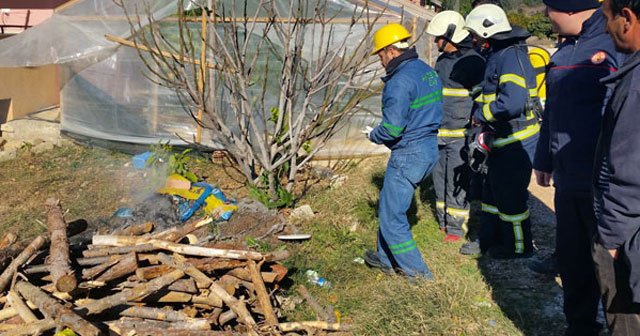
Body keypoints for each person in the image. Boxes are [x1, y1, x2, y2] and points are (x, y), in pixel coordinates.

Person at [529, 1, 621, 334]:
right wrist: (544, 158)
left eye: (549, 8)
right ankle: (581, 326)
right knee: (573, 259)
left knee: (610, 267)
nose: (545, 16)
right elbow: (551, 111)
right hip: (568, 179)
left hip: (604, 182)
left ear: (568, 9)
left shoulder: (614, 44)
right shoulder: (564, 52)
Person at [362, 23, 443, 279]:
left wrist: (373, 135)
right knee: (390, 206)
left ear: (391, 51)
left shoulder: (398, 82)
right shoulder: (426, 72)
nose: (380, 61)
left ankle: (418, 275)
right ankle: (385, 259)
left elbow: (393, 129)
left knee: (392, 218)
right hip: (429, 148)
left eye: (381, 55)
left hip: (409, 154)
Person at [459, 4, 540, 259]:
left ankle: (518, 247)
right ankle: (489, 239)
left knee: (511, 199)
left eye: (474, 34)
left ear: (487, 30)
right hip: (502, 138)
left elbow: (513, 102)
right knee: (492, 194)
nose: (473, 39)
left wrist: (482, 114)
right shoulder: (500, 53)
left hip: (516, 140)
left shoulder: (509, 56)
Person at [593, 0, 640, 333]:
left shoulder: (636, 84)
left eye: (608, 19)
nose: (606, 28)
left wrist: (610, 239)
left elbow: (629, 170)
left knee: (625, 319)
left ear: (627, 18)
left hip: (629, 237)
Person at [426, 11, 485, 242]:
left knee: (457, 182)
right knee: (439, 178)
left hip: (461, 135)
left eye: (438, 37)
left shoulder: (474, 62)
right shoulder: (442, 62)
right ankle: (443, 221)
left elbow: (482, 97)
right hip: (439, 131)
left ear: (450, 36)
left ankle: (456, 228)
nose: (434, 41)